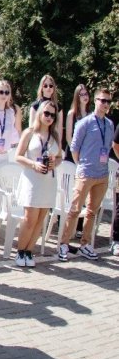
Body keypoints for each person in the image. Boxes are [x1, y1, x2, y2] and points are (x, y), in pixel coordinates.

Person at [58, 88, 115, 261]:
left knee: (92, 211)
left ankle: (85, 244)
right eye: (102, 100)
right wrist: (81, 165)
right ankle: (63, 244)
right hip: (85, 172)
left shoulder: (109, 124)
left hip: (102, 174)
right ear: (95, 101)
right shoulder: (85, 122)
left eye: (108, 101)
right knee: (75, 209)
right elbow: (74, 148)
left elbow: (109, 146)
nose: (105, 104)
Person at [13, 99, 62, 267]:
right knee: (30, 218)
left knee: (41, 218)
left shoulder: (55, 135)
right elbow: (18, 156)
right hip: (32, 180)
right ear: (40, 113)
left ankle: (29, 251)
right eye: (46, 113)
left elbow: (60, 156)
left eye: (52, 115)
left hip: (49, 181)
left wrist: (55, 162)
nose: (49, 117)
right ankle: (20, 251)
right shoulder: (29, 133)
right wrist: (34, 164)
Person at [29, 75, 64, 144]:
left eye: (51, 85)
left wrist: (58, 144)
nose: (48, 88)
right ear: (41, 88)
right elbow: (31, 127)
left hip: (53, 141)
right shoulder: (35, 106)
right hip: (38, 140)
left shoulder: (58, 107)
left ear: (54, 88)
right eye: (45, 85)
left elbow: (59, 128)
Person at [65, 84, 90, 163]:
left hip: (86, 154)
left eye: (86, 94)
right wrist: (76, 153)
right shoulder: (71, 114)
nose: (84, 96)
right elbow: (69, 137)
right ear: (77, 97)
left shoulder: (91, 115)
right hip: (72, 154)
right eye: (81, 95)